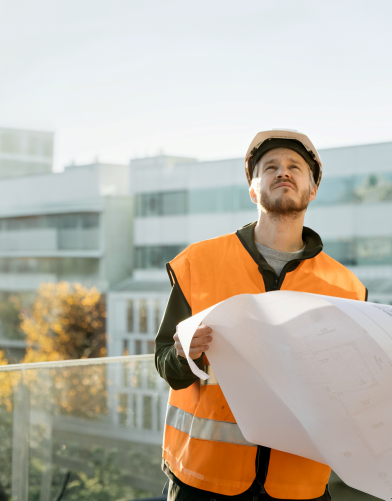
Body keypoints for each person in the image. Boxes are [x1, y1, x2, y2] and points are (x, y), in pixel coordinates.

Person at [154, 129, 367, 500]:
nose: (282, 172)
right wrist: (186, 355)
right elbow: (166, 365)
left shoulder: (348, 289)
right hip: (203, 480)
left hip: (299, 485)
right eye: (270, 167)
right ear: (253, 189)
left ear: (312, 189)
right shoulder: (199, 264)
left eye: (294, 167)